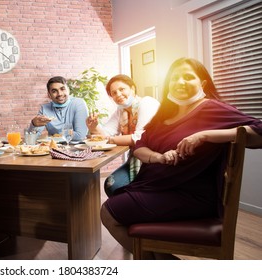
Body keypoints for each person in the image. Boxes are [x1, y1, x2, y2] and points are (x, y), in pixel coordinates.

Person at [100, 57, 262, 259]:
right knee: (115, 198)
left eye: (188, 77)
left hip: (189, 194)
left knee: (108, 212)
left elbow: (259, 133)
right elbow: (141, 145)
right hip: (159, 187)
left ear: (202, 83)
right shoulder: (166, 112)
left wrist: (207, 135)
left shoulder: (211, 108)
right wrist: (157, 157)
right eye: (174, 78)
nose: (180, 82)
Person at [86, 74, 160, 196]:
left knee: (130, 190)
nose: (118, 95)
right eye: (113, 93)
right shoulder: (121, 111)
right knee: (111, 185)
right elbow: (106, 133)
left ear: (132, 88)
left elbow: (139, 138)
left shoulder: (147, 103)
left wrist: (109, 139)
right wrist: (94, 127)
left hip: (156, 159)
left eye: (122, 89)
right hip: (135, 159)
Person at [29, 76, 89, 141]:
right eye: (54, 91)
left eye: (62, 89)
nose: (59, 94)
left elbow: (80, 135)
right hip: (54, 148)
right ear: (49, 94)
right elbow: (32, 139)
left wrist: (54, 136)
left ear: (68, 90)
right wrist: (34, 124)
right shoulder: (44, 109)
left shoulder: (78, 103)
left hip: (77, 148)